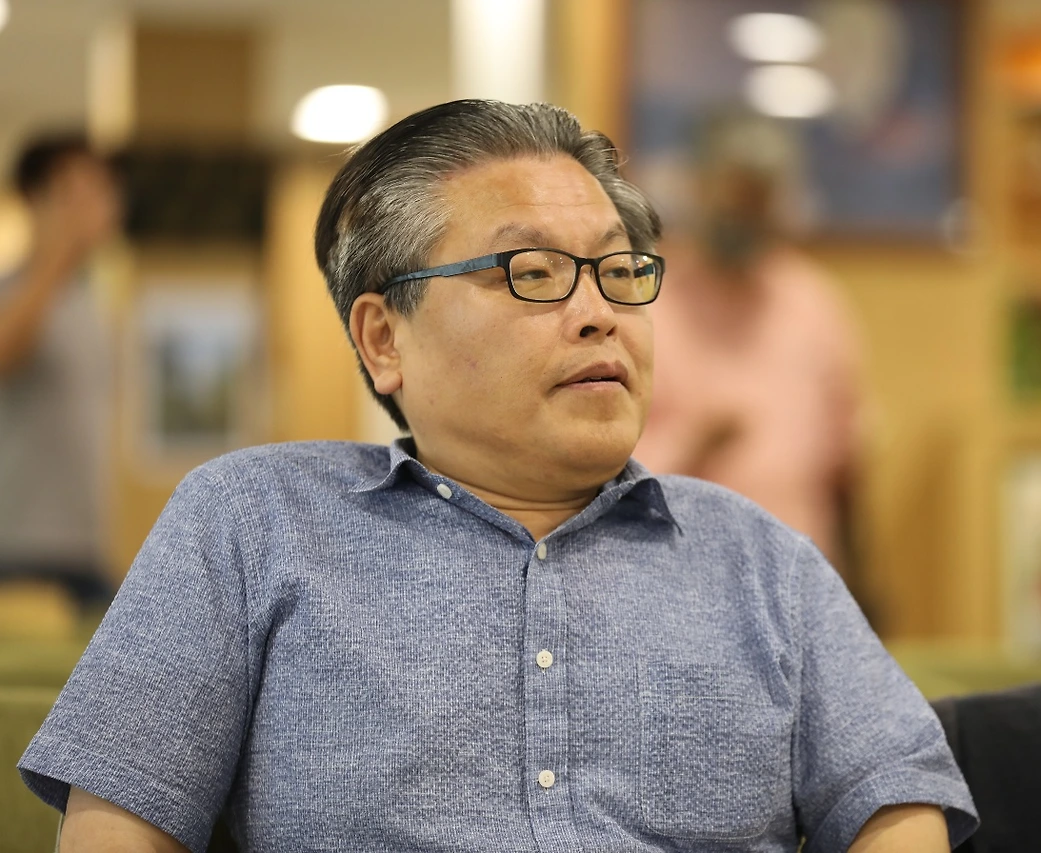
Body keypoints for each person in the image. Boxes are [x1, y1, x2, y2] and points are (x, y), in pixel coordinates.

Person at [20, 100, 976, 853]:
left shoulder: (762, 557)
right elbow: (119, 824)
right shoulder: (251, 522)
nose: (599, 312)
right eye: (533, 271)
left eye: (620, 271)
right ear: (383, 339)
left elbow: (895, 800)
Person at [634, 115, 866, 583]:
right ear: (698, 188)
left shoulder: (813, 302)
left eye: (759, 199)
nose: (745, 214)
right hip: (677, 574)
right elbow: (604, 466)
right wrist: (691, 442)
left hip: (797, 574)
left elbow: (848, 460)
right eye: (734, 196)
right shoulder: (648, 303)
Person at [0, 134, 120, 605]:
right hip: (17, 548)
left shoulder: (89, 302)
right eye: (78, 191)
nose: (99, 204)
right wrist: (56, 251)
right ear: (35, 200)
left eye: (103, 190)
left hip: (83, 548)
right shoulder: (13, 291)